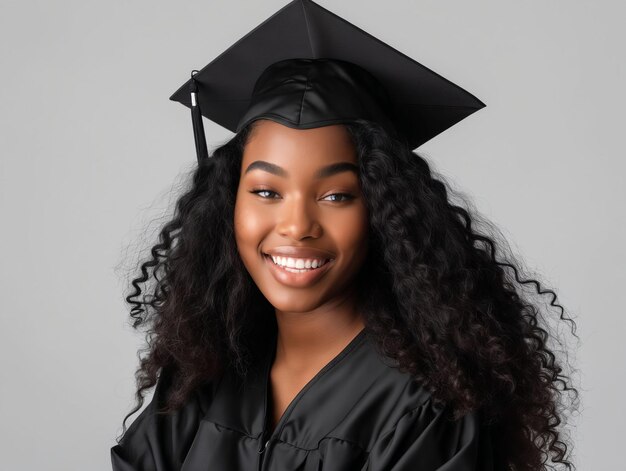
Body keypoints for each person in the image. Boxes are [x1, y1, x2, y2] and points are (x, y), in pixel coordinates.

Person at [110, 1, 578, 470]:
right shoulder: (204, 374)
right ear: (227, 204)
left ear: (384, 211)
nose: (296, 226)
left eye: (336, 196)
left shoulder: (426, 407)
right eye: (267, 191)